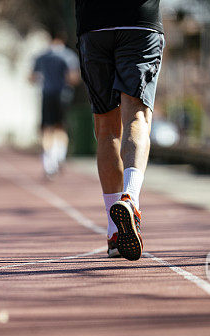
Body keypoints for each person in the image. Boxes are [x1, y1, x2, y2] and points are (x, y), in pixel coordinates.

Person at [75, 0, 164, 260]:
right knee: (136, 116)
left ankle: (115, 232)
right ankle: (130, 199)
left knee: (106, 128)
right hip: (139, 21)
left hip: (94, 25)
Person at [30, 30, 79, 179]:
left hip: (47, 94)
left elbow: (32, 77)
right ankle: (59, 157)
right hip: (62, 96)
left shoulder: (41, 56)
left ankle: (48, 163)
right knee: (60, 127)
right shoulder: (68, 55)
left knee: (47, 128)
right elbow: (73, 78)